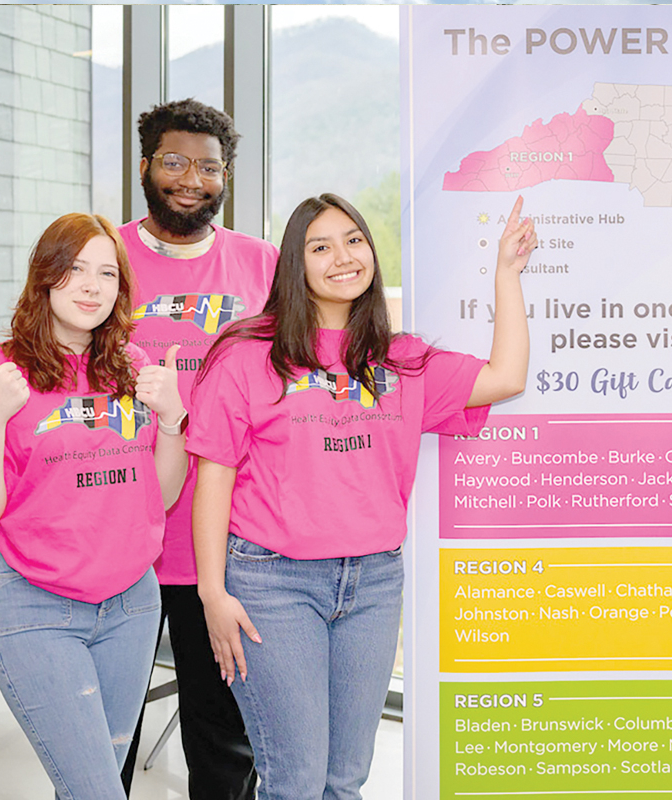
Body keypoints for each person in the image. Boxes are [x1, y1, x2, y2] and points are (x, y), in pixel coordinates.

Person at [187, 193, 535, 798]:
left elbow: (505, 377)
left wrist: (507, 272)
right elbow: (213, 473)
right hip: (273, 585)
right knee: (295, 781)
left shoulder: (401, 360)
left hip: (373, 584)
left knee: (344, 781)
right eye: (319, 247)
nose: (342, 257)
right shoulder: (248, 356)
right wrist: (212, 591)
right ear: (295, 265)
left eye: (353, 240)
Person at [0, 213, 187, 798]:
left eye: (107, 273)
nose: (92, 286)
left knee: (91, 786)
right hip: (37, 607)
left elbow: (160, 497)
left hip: (133, 607)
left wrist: (171, 423)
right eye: (75, 269)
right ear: (45, 277)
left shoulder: (134, 369)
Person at [120, 98, 276, 798]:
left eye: (209, 166)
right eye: (176, 162)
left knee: (222, 741)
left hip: (220, 543)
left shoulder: (263, 264)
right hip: (118, 534)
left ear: (226, 176)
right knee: (106, 738)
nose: (192, 179)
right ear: (147, 165)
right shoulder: (105, 256)